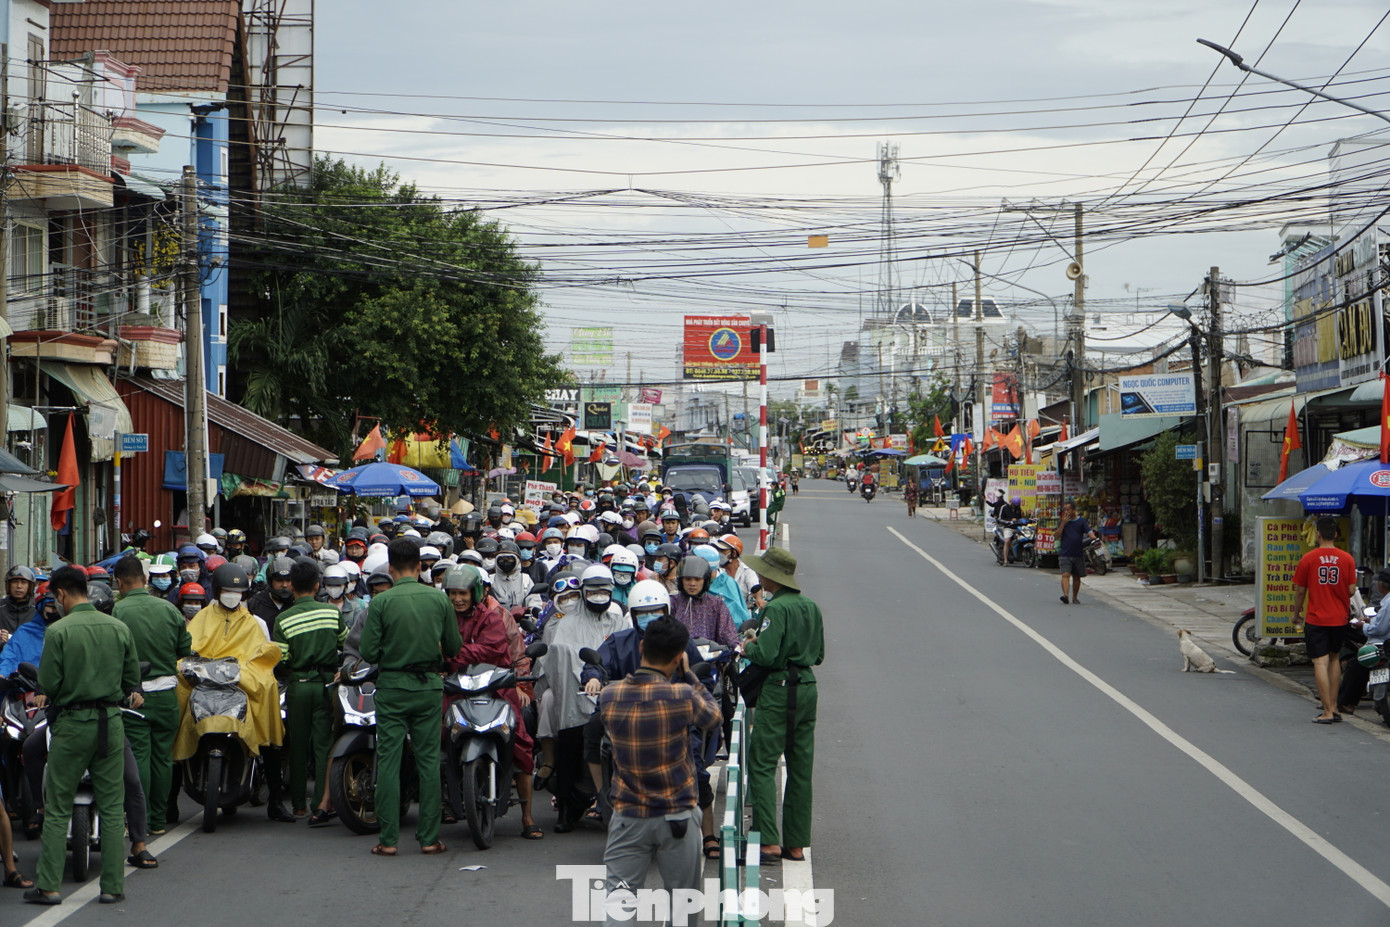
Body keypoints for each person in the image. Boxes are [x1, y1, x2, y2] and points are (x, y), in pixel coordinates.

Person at [25, 566, 141, 906]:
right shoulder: (119, 628)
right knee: (112, 804)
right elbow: (131, 678)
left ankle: (49, 886)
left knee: (58, 805)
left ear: (61, 595)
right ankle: (112, 887)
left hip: (72, 725)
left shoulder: (58, 631)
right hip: (110, 723)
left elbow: (49, 683)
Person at [593, 616, 720, 925]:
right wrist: (689, 674)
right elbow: (713, 717)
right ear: (678, 657)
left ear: (641, 647)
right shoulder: (683, 696)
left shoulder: (610, 696)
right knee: (682, 908)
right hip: (677, 815)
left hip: (628, 816)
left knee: (619, 908)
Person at [359, 539, 462, 855]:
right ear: (420, 567)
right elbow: (455, 648)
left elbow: (367, 652)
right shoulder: (439, 600)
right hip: (428, 687)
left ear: (390, 569)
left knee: (389, 760)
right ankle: (429, 839)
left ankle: (388, 841)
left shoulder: (380, 603)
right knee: (428, 761)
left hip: (391, 688)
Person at [174, 562, 289, 819]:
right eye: (227, 590)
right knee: (177, 709)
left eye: (238, 592)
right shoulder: (202, 617)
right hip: (204, 683)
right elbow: (188, 650)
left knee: (268, 696)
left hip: (240, 683)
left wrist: (250, 671)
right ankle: (170, 802)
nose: (233, 596)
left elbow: (261, 653)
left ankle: (276, 802)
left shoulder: (253, 622)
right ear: (217, 591)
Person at [442, 564, 539, 838]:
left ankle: (528, 817)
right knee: (436, 735)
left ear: (475, 593)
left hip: (496, 688)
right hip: (455, 688)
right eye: (452, 594)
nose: (457, 599)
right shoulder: (443, 615)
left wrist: (451, 653)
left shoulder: (493, 617)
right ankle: (443, 800)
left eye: (462, 593)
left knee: (520, 742)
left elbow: (492, 650)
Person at [743, 547, 824, 864]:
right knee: (801, 768)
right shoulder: (811, 606)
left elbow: (766, 656)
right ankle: (796, 843)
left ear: (769, 576)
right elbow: (818, 655)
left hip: (778, 689)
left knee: (762, 764)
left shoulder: (775, 610)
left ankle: (768, 841)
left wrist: (750, 644)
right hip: (807, 686)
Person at [112, 555, 190, 841]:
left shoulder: (118, 612)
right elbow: (184, 648)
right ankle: (159, 820)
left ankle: (140, 822)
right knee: (163, 759)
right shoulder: (169, 609)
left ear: (119, 583)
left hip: (134, 696)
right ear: (145, 581)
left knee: (139, 759)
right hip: (168, 694)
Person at [273, 559, 346, 824]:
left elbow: (281, 659)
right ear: (317, 586)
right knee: (324, 745)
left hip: (298, 686)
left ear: (291, 586)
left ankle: (299, 805)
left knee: (297, 746)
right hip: (326, 686)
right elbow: (344, 642)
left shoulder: (283, 619)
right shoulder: (331, 613)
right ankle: (321, 804)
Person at [1292, 516, 1358, 724]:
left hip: (1317, 618)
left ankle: (1327, 710)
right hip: (1339, 618)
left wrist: (1296, 614)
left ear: (1318, 534)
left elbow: (1300, 591)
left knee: (1319, 661)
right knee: (1335, 658)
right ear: (1336, 534)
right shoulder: (1347, 559)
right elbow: (1351, 590)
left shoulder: (1308, 559)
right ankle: (1335, 707)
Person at [1056, 502, 1097, 605]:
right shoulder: (1062, 522)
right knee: (1065, 574)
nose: (1066, 512)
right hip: (1065, 553)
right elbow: (1056, 535)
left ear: (1073, 510)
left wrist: (1092, 536)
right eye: (1064, 510)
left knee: (1077, 576)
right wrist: (1063, 524)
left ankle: (1075, 597)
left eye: (1068, 510)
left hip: (1078, 553)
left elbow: (1089, 531)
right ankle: (1065, 595)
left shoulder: (1081, 521)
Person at [0, 565, 37, 653]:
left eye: (23, 582)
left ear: (30, 586)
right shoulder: (1, 607)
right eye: (15, 582)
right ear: (8, 585)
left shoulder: (38, 610)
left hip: (29, 660)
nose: (19, 586)